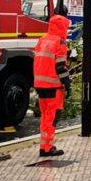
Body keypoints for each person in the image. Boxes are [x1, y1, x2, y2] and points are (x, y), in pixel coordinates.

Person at [33, 13, 71, 158]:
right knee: (52, 116)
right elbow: (60, 67)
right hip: (53, 85)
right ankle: (47, 147)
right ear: (62, 27)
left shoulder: (42, 40)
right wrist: (67, 83)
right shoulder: (59, 42)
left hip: (40, 84)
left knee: (45, 116)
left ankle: (44, 145)